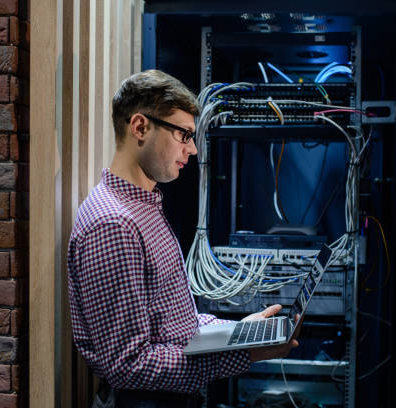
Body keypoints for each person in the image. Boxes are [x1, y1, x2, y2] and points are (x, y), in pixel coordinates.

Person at [67, 69, 299, 408]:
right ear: (140, 127)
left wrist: (235, 333)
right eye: (183, 134)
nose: (192, 149)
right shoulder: (114, 223)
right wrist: (243, 355)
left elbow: (168, 324)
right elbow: (129, 366)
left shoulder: (142, 206)